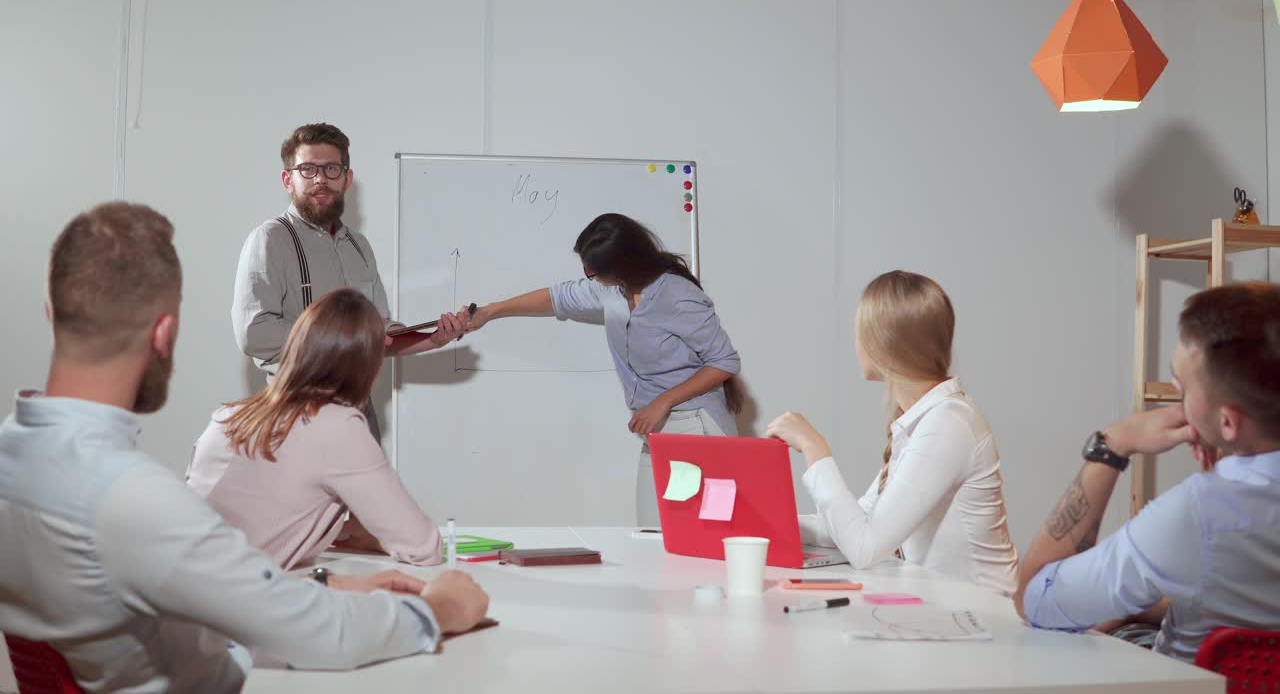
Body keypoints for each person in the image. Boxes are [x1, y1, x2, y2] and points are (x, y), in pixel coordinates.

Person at [0, 202, 489, 693]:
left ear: (51, 313)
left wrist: (320, 585)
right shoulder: (133, 499)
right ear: (164, 334)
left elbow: (199, 595)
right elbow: (322, 637)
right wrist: (437, 609)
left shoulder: (15, 454)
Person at [1016, 281, 1280, 662]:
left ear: (1228, 423)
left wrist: (1113, 445)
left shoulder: (1197, 513)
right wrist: (1141, 608)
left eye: (1182, 388)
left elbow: (1035, 599)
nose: (1175, 394)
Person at [464, 213, 742, 526]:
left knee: (697, 534)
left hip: (696, 427)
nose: (589, 277)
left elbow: (724, 362)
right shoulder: (614, 289)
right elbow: (557, 297)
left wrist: (663, 401)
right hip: (658, 432)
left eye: (593, 271)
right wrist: (490, 312)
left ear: (625, 265)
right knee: (651, 533)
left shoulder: (677, 295)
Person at [766, 270, 1018, 595]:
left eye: (860, 334)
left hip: (982, 611)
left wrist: (813, 447)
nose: (855, 345)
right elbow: (857, 524)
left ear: (884, 344)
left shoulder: (948, 424)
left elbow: (865, 548)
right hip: (944, 604)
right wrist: (767, 523)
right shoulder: (929, 418)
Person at [232, 122, 465, 440]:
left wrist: (434, 338)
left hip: (358, 414)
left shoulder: (359, 246)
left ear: (346, 179)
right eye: (307, 169)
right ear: (288, 180)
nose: (320, 179)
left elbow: (379, 332)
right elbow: (254, 333)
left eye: (331, 169)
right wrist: (344, 339)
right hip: (297, 415)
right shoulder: (271, 239)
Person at [190, 288, 442, 570]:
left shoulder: (227, 417)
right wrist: (375, 538)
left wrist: (346, 532)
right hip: (235, 591)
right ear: (366, 364)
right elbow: (424, 547)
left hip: (180, 582)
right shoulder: (338, 427)